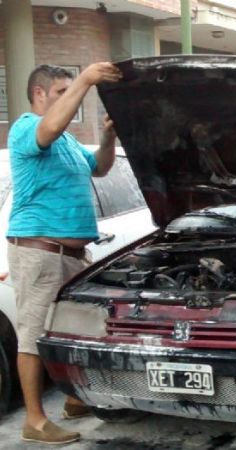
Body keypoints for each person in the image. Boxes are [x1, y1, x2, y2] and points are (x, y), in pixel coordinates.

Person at [7, 63, 121, 444]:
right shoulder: (27, 126)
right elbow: (50, 127)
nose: (69, 100)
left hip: (72, 254)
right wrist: (87, 79)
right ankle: (35, 421)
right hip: (41, 252)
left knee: (72, 330)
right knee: (33, 336)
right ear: (39, 94)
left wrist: (107, 138)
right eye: (61, 92)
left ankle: (74, 400)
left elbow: (102, 169)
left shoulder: (68, 142)